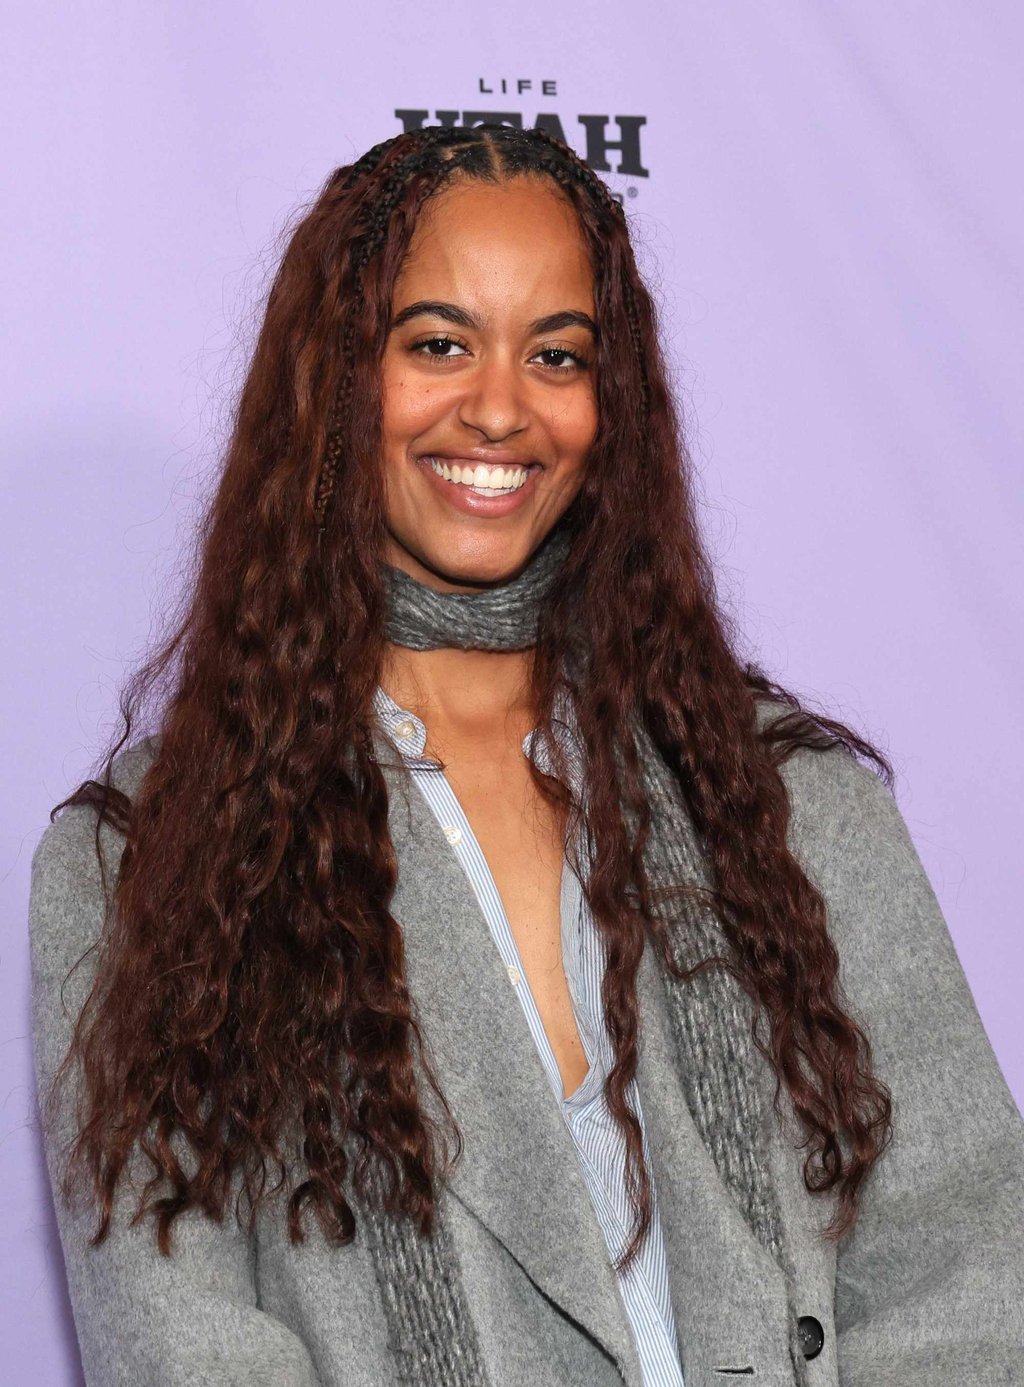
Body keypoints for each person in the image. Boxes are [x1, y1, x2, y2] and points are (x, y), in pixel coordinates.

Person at [29, 123, 1024, 1387]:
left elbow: (965, 1263)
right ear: (334, 378)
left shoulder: (784, 804)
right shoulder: (143, 866)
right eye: (436, 343)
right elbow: (185, 1344)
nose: (499, 406)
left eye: (557, 354)